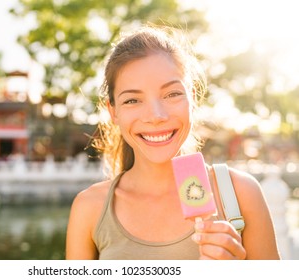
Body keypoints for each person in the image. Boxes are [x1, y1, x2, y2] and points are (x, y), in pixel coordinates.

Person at [66, 25, 280, 260]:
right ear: (113, 111)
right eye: (132, 100)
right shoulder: (89, 208)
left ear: (193, 97)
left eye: (172, 94)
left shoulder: (241, 194)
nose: (156, 116)